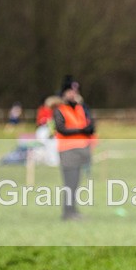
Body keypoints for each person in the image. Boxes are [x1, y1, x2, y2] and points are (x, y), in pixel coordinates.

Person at [53, 76, 95, 221]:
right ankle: (67, 212)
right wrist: (81, 130)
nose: (73, 94)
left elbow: (90, 126)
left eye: (74, 91)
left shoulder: (81, 108)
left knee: (76, 182)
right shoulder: (60, 110)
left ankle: (73, 211)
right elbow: (62, 129)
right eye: (70, 91)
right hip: (67, 150)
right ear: (64, 93)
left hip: (81, 149)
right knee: (69, 182)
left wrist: (84, 129)